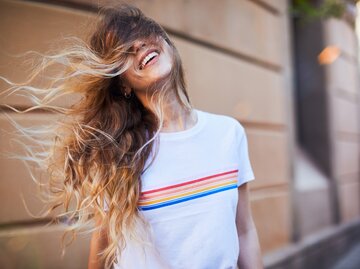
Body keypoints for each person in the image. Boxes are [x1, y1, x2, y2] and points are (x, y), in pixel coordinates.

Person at [0, 3, 263, 269]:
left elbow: (244, 231)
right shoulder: (120, 152)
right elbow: (104, 247)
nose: (138, 46)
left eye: (144, 35)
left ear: (169, 46)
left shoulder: (229, 133)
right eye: (125, 51)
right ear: (123, 84)